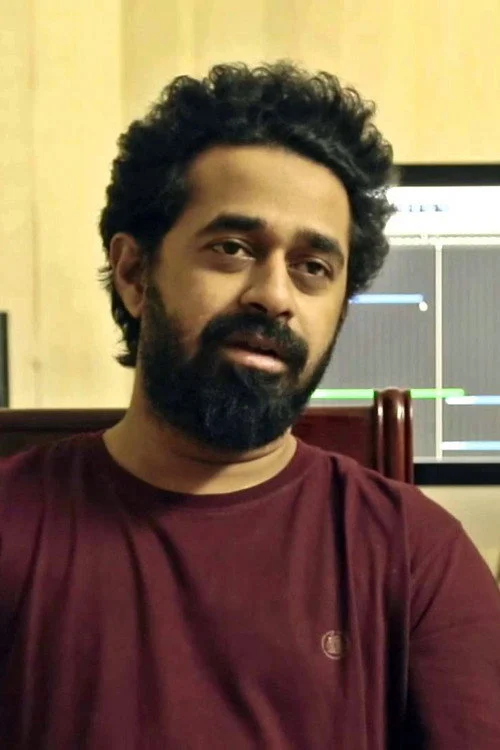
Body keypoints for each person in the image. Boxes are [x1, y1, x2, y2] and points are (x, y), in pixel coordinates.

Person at [1, 61, 499, 749]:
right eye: (233, 248)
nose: (275, 295)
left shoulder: (416, 557)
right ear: (135, 274)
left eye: (313, 267)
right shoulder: (12, 523)